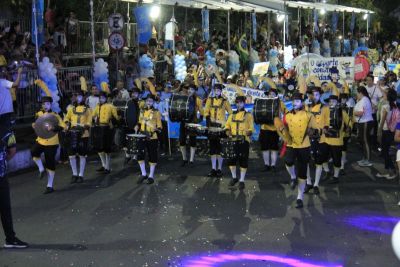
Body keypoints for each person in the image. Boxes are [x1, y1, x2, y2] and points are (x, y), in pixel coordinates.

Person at [284, 92, 316, 208]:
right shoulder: (287, 115)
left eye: (297, 101)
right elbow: (284, 129)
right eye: (293, 101)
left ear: (302, 103)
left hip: (304, 146)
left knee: (302, 173)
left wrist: (312, 132)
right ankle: (292, 176)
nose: (294, 103)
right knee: (288, 161)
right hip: (291, 144)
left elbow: (315, 130)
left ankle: (299, 197)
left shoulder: (309, 115)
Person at [0, 120, 28, 248]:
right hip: (1, 174)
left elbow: (12, 150)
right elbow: (12, 151)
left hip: (1, 175)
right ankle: (10, 239)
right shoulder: (5, 129)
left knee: (5, 208)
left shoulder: (6, 129)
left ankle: (10, 239)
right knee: (5, 208)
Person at [31, 96, 66, 194]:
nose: (45, 106)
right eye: (43, 104)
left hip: (52, 142)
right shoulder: (38, 114)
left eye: (47, 104)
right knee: (33, 152)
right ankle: (41, 168)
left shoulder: (55, 115)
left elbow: (63, 126)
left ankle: (49, 185)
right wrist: (33, 125)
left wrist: (54, 128)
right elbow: (36, 124)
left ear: (51, 104)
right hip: (41, 140)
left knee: (50, 163)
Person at [318, 95, 351, 184]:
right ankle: (327, 171)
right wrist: (323, 128)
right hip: (324, 139)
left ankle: (336, 176)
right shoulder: (324, 110)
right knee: (322, 157)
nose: (331, 102)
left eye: (333, 101)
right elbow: (320, 122)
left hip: (337, 140)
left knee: (337, 159)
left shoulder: (342, 112)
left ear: (337, 102)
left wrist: (347, 128)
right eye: (330, 101)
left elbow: (349, 122)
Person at [224, 95, 255, 190]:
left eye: (240, 102)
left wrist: (249, 132)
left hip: (243, 141)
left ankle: (242, 180)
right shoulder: (231, 115)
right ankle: (234, 178)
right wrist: (228, 132)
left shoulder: (248, 115)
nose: (238, 104)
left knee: (243, 161)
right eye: (237, 102)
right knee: (231, 160)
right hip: (232, 141)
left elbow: (251, 129)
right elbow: (227, 126)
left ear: (244, 103)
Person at [204, 83, 232, 177]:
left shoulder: (225, 101)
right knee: (212, 149)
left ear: (221, 91)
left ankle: (219, 169)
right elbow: (206, 112)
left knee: (220, 149)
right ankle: (213, 168)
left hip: (221, 128)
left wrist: (226, 124)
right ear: (213, 91)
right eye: (215, 90)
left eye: (219, 90)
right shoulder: (209, 100)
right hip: (212, 127)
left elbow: (231, 113)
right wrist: (208, 118)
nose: (217, 92)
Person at [64, 90, 92, 183]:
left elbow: (90, 121)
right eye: (77, 96)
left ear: (84, 97)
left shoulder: (88, 109)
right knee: (71, 155)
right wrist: (67, 124)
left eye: (80, 96)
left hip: (83, 134)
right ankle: (74, 174)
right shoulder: (71, 109)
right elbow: (67, 118)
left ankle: (81, 175)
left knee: (82, 155)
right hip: (72, 133)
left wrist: (86, 125)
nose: (78, 98)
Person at [135, 95, 162, 184]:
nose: (149, 102)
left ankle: (151, 176)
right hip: (142, 136)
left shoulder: (156, 112)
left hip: (152, 136)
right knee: (140, 154)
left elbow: (159, 126)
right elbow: (139, 122)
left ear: (153, 102)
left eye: (151, 100)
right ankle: (143, 174)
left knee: (152, 155)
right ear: (145, 101)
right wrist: (137, 126)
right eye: (147, 100)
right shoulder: (142, 111)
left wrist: (157, 129)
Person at [92, 91, 119, 174]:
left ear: (106, 98)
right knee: (100, 148)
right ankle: (103, 165)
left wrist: (113, 123)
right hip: (99, 128)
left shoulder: (111, 106)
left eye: (103, 98)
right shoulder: (97, 106)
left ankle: (107, 167)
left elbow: (117, 118)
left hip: (108, 128)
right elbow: (93, 115)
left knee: (107, 148)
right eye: (100, 98)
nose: (101, 99)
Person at [179, 83, 203, 166]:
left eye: (192, 89)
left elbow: (201, 112)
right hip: (183, 121)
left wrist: (199, 119)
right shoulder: (183, 98)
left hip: (193, 122)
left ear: (195, 91)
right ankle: (184, 159)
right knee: (182, 141)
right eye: (189, 89)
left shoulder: (198, 100)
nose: (190, 91)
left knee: (193, 141)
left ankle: (191, 160)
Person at [377, 89, 398, 179]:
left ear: (388, 96)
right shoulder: (395, 106)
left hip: (385, 130)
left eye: (384, 94)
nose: (383, 95)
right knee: (386, 151)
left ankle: (392, 171)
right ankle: (387, 171)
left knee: (385, 152)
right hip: (393, 130)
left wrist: (379, 131)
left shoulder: (385, 106)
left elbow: (382, 121)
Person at [259, 89, 280, 172]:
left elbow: (286, 113)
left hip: (275, 129)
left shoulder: (279, 103)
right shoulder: (263, 103)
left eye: (272, 94)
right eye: (269, 94)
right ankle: (266, 165)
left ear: (276, 95)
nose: (270, 95)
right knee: (265, 148)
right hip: (264, 128)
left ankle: (273, 165)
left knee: (274, 148)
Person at [354, 86, 374, 167]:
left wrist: (354, 113)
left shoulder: (364, 100)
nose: (356, 94)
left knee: (365, 141)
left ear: (360, 93)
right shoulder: (362, 100)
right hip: (362, 122)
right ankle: (365, 158)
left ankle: (368, 160)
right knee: (362, 141)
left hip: (365, 122)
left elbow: (361, 113)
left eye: (357, 93)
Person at [365, 74, 383, 148]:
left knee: (374, 129)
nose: (368, 82)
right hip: (366, 112)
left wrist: (377, 106)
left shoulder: (376, 88)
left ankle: (374, 143)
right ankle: (366, 143)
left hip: (374, 112)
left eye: (370, 80)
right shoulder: (364, 88)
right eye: (367, 80)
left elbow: (382, 98)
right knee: (366, 129)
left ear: (372, 81)